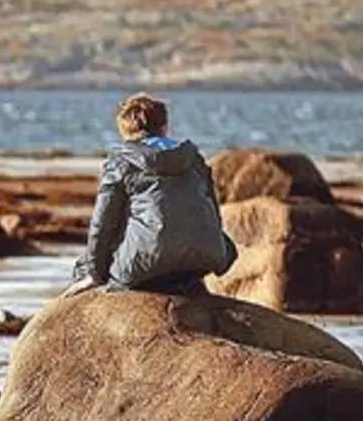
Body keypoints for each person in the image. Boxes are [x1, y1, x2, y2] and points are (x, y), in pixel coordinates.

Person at [63, 93, 236, 297]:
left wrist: (92, 274)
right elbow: (213, 213)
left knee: (85, 265)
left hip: (149, 267)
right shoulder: (193, 158)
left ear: (125, 131)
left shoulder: (121, 163)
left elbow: (103, 225)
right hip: (205, 260)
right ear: (164, 126)